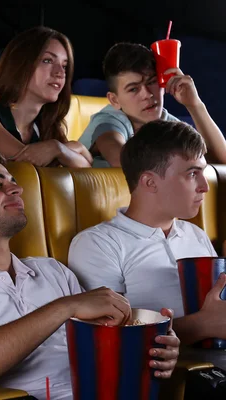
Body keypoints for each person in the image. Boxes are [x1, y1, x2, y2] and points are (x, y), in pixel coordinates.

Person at [0, 151, 179, 399]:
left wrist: (155, 349)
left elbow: (105, 345)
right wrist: (65, 307)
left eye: (13, 181)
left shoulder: (52, 270)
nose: (16, 189)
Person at [69, 120, 226, 346]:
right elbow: (109, 338)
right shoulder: (97, 244)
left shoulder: (195, 234)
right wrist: (202, 325)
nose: (205, 186)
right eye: (193, 174)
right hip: (168, 376)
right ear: (150, 182)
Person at [78, 42, 226, 167]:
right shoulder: (109, 120)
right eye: (133, 89)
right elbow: (121, 158)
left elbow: (220, 161)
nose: (147, 94)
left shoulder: (166, 122)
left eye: (152, 82)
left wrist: (194, 105)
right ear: (115, 100)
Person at [0, 26, 92, 168]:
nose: (60, 73)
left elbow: (86, 170)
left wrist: (61, 149)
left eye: (64, 66)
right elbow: (23, 160)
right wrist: (66, 150)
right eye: (47, 60)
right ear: (21, 64)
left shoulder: (47, 130)